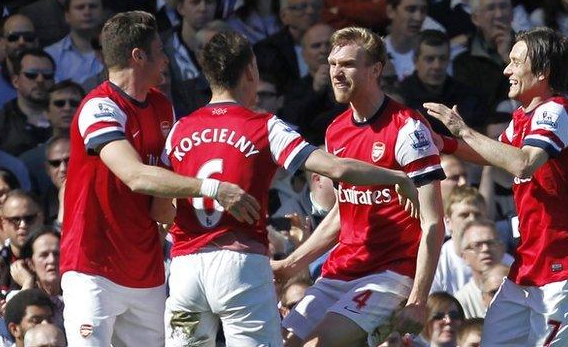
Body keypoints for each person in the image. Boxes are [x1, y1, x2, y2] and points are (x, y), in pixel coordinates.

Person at [162, 29, 420, 347]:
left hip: (186, 267)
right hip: (240, 269)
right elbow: (337, 168)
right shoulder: (264, 125)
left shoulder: (178, 130)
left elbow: (161, 207)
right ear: (250, 71)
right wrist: (398, 178)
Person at [60, 11, 261, 347]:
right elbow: (135, 176)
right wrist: (213, 188)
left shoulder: (162, 106)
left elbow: (159, 206)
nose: (167, 59)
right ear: (138, 56)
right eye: (160, 50)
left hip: (146, 271)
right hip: (92, 267)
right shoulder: (99, 108)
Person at [425, 27, 568, 346]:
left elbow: (523, 162)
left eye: (515, 62)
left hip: (563, 268)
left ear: (543, 71)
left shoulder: (555, 109)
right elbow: (490, 153)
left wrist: (462, 131)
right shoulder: (523, 117)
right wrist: (441, 142)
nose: (506, 70)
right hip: (528, 268)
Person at [273, 26, 445, 346]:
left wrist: (419, 300)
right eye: (333, 64)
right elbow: (343, 213)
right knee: (282, 343)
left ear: (375, 69)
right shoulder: (336, 131)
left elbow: (434, 222)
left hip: (388, 275)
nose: (336, 72)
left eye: (348, 64)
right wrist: (290, 264)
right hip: (340, 271)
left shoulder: (409, 129)